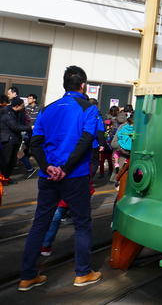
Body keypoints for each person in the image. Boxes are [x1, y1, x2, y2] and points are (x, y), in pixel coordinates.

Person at [18, 65, 102, 291]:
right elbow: (86, 141)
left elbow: (34, 143)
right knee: (82, 224)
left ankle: (27, 276)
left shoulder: (48, 109)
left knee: (40, 223)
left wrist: (49, 167)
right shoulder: (89, 109)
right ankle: (82, 273)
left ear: (65, 85)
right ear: (83, 86)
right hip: (76, 175)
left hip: (48, 176)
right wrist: (65, 168)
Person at [0, 97, 32, 184]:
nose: (23, 107)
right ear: (17, 106)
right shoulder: (7, 113)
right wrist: (30, 128)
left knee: (12, 161)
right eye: (22, 106)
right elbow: (15, 127)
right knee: (5, 161)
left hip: (15, 140)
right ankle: (2, 179)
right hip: (8, 140)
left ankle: (6, 178)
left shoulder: (17, 112)